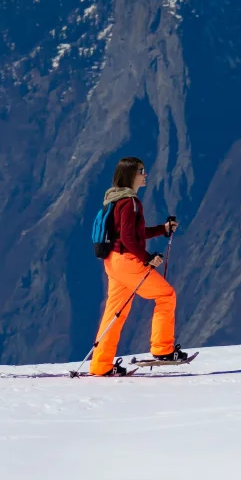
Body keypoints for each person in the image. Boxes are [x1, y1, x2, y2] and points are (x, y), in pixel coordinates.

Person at [89, 156, 186, 376]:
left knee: (114, 313)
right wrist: (148, 258)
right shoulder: (130, 202)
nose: (145, 174)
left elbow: (133, 233)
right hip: (127, 262)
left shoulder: (115, 200)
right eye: (142, 171)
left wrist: (162, 229)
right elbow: (129, 238)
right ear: (131, 174)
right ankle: (163, 350)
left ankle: (101, 365)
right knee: (166, 295)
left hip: (112, 262)